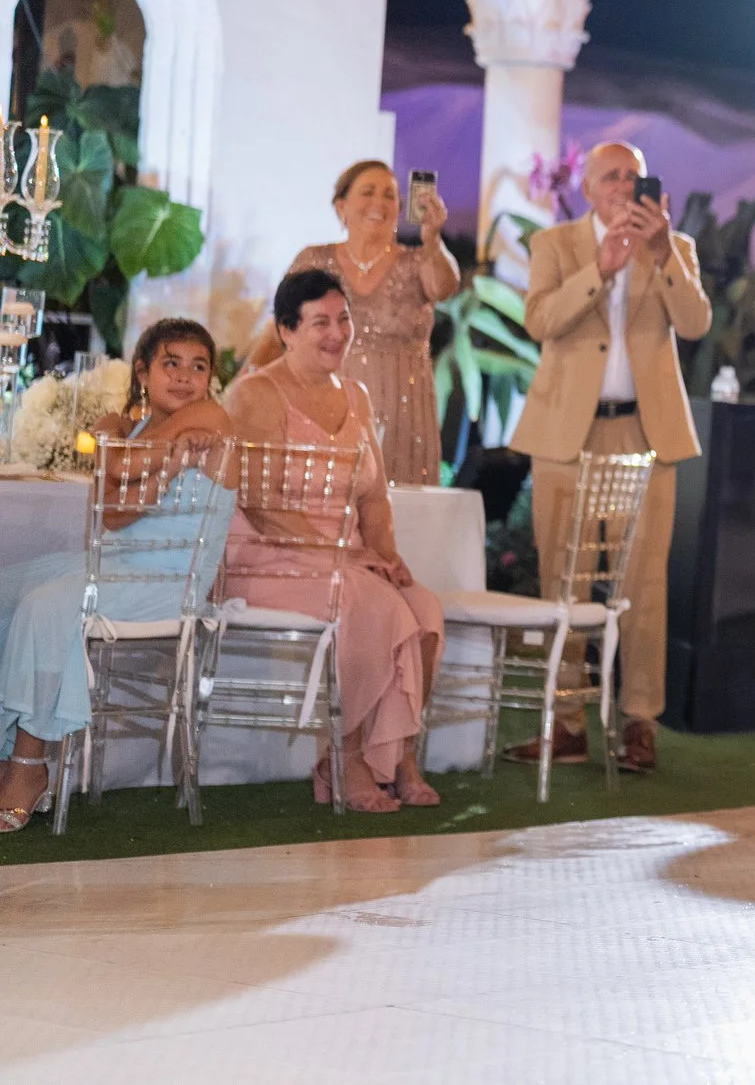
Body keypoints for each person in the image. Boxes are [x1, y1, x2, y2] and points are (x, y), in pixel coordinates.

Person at [507, 141, 709, 774]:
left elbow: (697, 323)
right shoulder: (555, 244)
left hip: (645, 435)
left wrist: (661, 251)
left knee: (643, 585)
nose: (625, 186)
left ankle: (640, 724)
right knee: (562, 582)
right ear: (588, 188)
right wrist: (599, 267)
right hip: (567, 438)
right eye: (612, 177)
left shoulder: (675, 247)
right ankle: (565, 725)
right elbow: (540, 321)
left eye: (634, 176)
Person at [0, 318, 238, 832]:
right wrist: (157, 462)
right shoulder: (138, 426)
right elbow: (115, 515)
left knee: (50, 604)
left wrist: (110, 440)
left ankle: (29, 764)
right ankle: (4, 753)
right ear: (143, 370)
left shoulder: (210, 415)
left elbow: (124, 471)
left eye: (198, 366)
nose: (184, 377)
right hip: (117, 565)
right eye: (170, 363)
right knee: (8, 589)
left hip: (172, 583)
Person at [227, 270, 445, 813]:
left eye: (343, 319)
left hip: (346, 559)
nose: (336, 333)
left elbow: (373, 499)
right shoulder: (255, 392)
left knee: (424, 609)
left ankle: (399, 759)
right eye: (320, 322)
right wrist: (348, 557)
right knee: (365, 601)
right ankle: (347, 758)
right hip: (269, 557)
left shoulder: (357, 395)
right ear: (285, 330)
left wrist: (388, 557)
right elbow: (259, 504)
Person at [253, 160, 460, 487]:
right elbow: (279, 331)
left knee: (396, 520)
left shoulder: (419, 261)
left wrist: (433, 240)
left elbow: (445, 289)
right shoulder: (313, 260)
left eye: (390, 195)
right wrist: (242, 388)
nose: (379, 202)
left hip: (404, 421)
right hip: (324, 406)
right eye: (368, 192)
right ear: (341, 206)